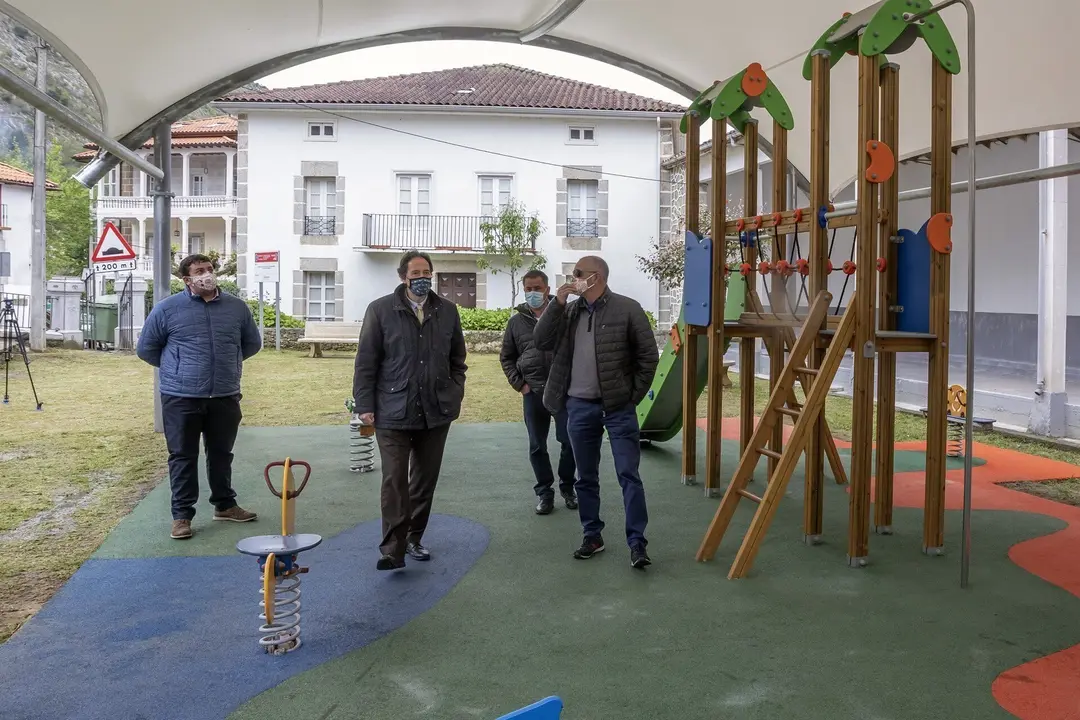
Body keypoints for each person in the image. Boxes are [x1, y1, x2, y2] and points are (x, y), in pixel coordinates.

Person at [534, 256, 659, 569]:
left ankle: (637, 543)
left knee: (628, 474)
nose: (572, 277)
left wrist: (630, 396)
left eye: (578, 273)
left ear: (596, 278)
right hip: (578, 406)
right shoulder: (569, 311)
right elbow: (541, 341)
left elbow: (648, 358)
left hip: (618, 408)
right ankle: (593, 535)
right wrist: (556, 304)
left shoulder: (628, 309)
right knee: (585, 477)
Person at [353, 250, 468, 571]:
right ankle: (393, 548)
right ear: (403, 276)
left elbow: (458, 360)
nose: (422, 278)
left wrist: (454, 392)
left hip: (436, 411)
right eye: (415, 273)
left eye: (426, 272)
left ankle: (415, 537)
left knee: (423, 481)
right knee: (394, 481)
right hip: (392, 411)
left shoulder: (447, 311)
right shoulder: (380, 311)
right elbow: (365, 362)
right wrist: (364, 405)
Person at [136, 253, 263, 540]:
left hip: (224, 394)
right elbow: (147, 349)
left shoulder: (236, 308)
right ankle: (181, 515)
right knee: (182, 455)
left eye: (209, 269)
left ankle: (225, 505)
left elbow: (251, 344)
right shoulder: (167, 309)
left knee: (221, 453)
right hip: (180, 396)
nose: (206, 274)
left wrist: (227, 364)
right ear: (187, 279)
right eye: (199, 271)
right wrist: (178, 368)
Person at [500, 270, 578, 515]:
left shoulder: (564, 314)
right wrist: (520, 384)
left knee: (569, 442)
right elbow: (507, 357)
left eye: (538, 288)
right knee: (537, 445)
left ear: (547, 289)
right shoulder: (516, 322)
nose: (533, 293)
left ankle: (568, 487)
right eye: (529, 289)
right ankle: (544, 493)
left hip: (563, 391)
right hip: (533, 392)